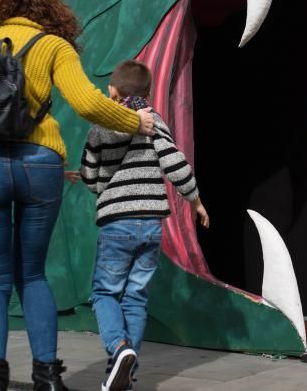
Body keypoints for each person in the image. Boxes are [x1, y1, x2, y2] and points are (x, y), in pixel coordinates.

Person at [0, 0, 155, 391]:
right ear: (48, 7)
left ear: (2, 3)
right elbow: (86, 103)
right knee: (32, 275)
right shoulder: (54, 45)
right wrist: (135, 121)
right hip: (38, 165)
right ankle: (47, 378)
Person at [80, 59, 209, 391]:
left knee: (104, 292)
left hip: (116, 223)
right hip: (151, 223)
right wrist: (194, 200)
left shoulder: (99, 127)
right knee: (135, 297)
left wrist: (104, 190)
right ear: (147, 91)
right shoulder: (153, 120)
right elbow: (174, 162)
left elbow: (89, 175)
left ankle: (119, 350)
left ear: (112, 91)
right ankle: (124, 371)